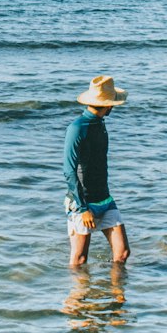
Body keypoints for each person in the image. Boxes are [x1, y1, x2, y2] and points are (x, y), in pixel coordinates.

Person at [63, 75, 130, 267]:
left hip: (105, 199)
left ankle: (115, 295)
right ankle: (77, 296)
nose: (114, 107)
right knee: (80, 259)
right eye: (113, 103)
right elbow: (69, 170)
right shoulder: (77, 128)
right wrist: (83, 209)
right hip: (82, 202)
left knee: (122, 254)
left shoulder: (100, 124)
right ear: (107, 104)